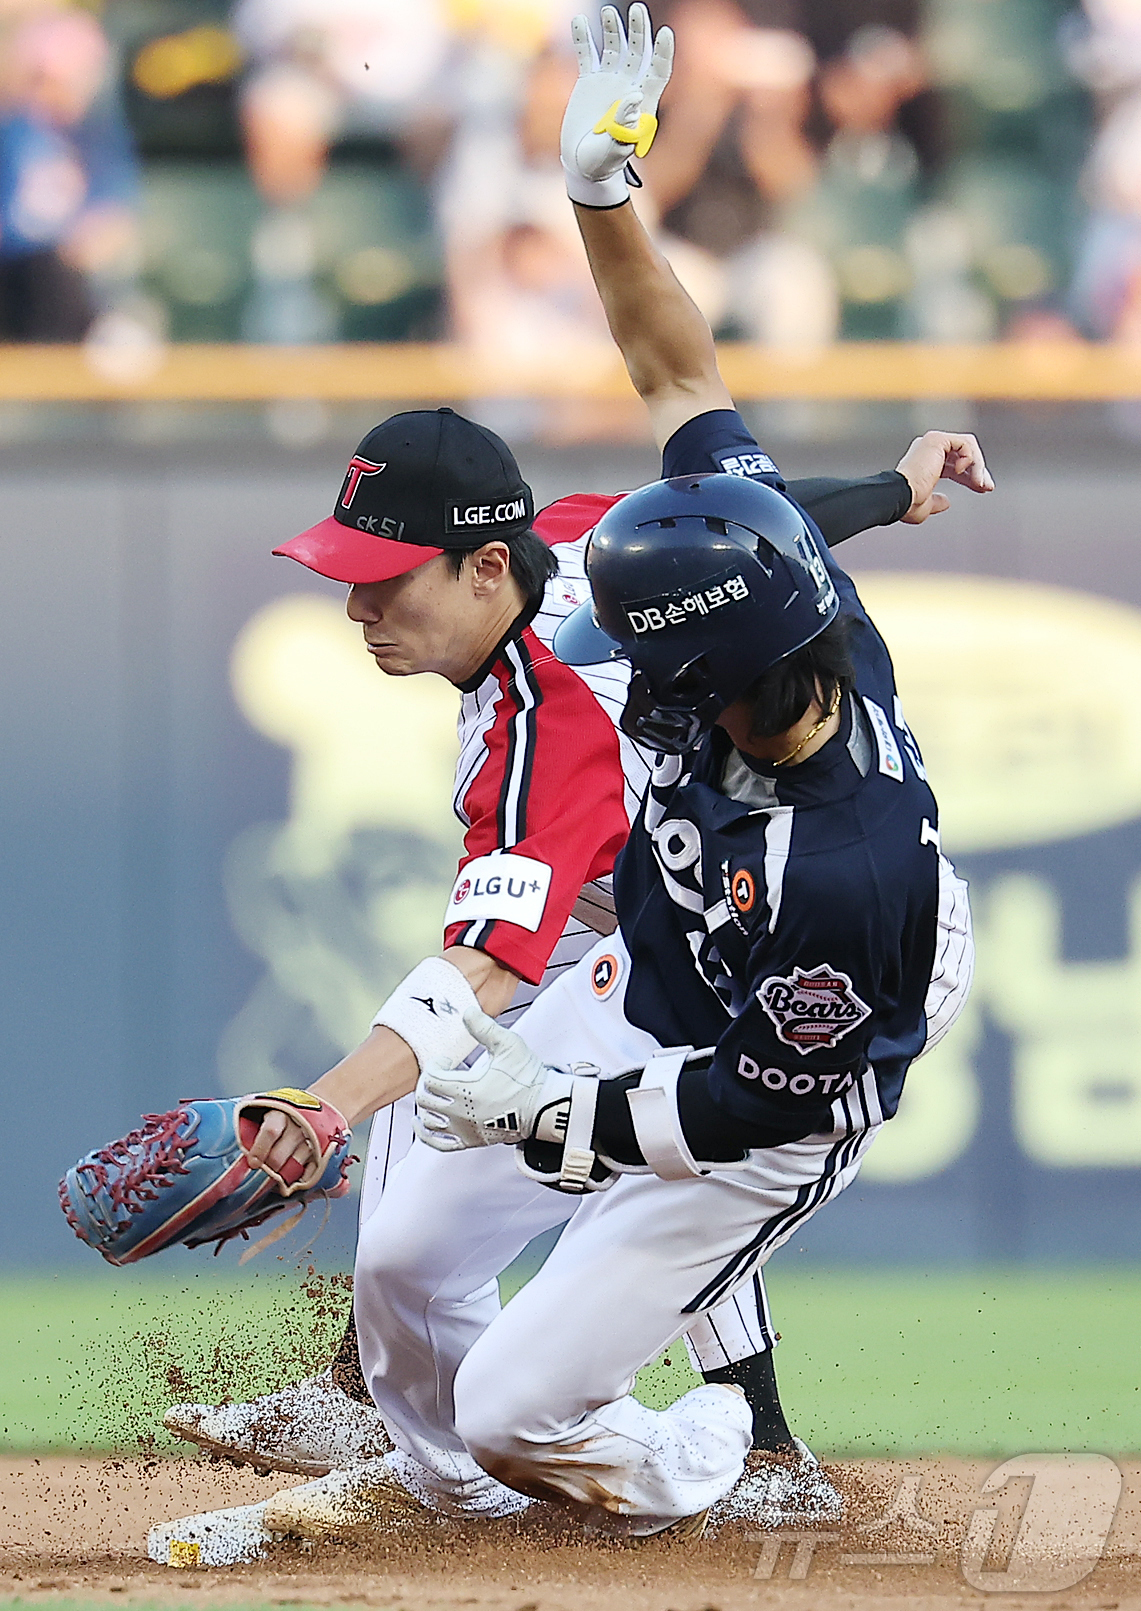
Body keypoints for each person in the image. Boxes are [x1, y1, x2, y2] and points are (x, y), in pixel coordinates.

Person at [161, 3, 984, 1545]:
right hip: (682, 889)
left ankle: (749, 1444)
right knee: (477, 1097)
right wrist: (603, 197)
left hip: (835, 923)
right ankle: (393, 1390)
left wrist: (320, 1113)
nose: (358, 609)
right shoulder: (615, 547)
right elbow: (692, 401)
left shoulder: (553, 715)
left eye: (383, 580)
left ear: (485, 567)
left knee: (644, 1118)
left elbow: (486, 965)